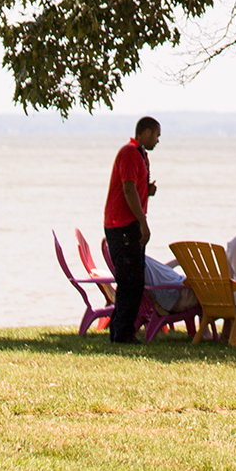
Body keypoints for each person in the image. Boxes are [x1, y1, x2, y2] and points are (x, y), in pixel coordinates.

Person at [103, 116, 161, 342]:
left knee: (133, 282)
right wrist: (143, 222)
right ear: (146, 132)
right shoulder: (129, 153)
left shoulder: (140, 155)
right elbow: (128, 189)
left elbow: (134, 186)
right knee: (130, 282)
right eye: (156, 135)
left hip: (129, 223)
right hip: (123, 225)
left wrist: (147, 189)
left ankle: (120, 330)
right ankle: (123, 333)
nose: (157, 141)